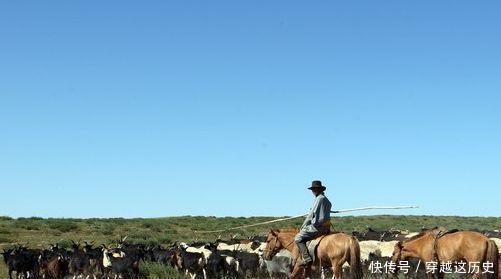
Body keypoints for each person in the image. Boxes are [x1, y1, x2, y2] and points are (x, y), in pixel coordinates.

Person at [294, 180, 332, 266]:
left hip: (318, 227)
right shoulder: (326, 200)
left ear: (319, 189)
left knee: (298, 238)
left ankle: (307, 258)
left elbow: (311, 215)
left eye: (315, 189)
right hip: (327, 227)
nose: (313, 191)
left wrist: (303, 226)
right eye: (313, 189)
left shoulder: (318, 199)